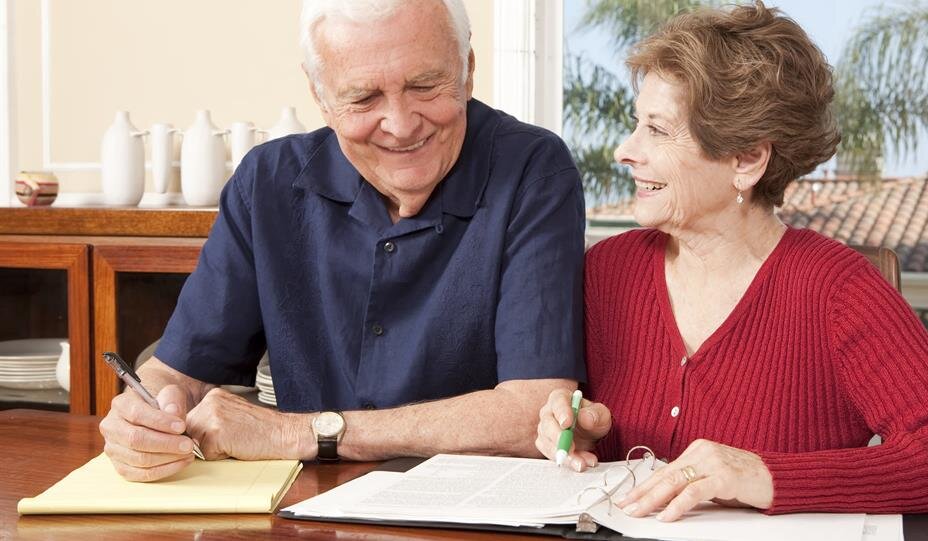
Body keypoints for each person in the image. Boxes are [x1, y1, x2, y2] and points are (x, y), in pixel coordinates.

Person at [536, 1, 928, 521]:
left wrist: (766, 476)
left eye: (658, 130)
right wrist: (580, 428)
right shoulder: (608, 270)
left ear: (748, 159)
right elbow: (596, 439)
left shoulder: (836, 290)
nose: (624, 150)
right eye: (636, 123)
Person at [100, 0, 586, 482]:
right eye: (364, 98)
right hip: (303, 508)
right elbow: (177, 373)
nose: (401, 125)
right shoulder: (265, 182)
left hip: (472, 507)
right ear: (320, 95)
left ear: (468, 70)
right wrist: (142, 416)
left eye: (424, 85)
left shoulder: (534, 170)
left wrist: (304, 433)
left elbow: (534, 413)